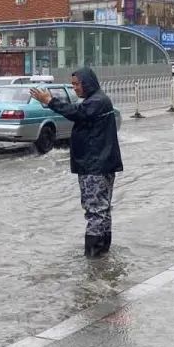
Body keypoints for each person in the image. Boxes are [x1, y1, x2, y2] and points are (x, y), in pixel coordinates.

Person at [30, 67, 124, 259]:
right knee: (102, 209)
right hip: (99, 163)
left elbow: (75, 112)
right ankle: (102, 253)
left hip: (95, 165)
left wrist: (49, 100)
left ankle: (94, 257)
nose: (75, 88)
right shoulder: (97, 100)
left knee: (95, 210)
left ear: (87, 83)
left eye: (77, 84)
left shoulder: (96, 101)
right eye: (72, 84)